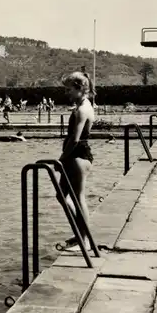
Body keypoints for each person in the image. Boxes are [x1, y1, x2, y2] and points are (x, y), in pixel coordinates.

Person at [58, 71, 96, 251]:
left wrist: (62, 158)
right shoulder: (82, 105)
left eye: (69, 89)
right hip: (74, 156)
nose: (67, 93)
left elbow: (75, 138)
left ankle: (85, 241)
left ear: (80, 89)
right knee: (61, 195)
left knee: (78, 197)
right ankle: (79, 232)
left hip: (78, 156)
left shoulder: (83, 109)